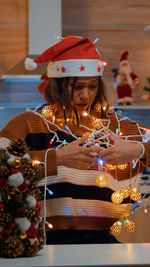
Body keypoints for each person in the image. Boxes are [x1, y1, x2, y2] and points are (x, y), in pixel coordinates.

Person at [0, 35, 150, 244]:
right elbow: (2, 164)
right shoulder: (30, 123)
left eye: (92, 86)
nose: (85, 96)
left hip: (104, 241)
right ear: (57, 85)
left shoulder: (115, 125)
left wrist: (138, 151)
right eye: (77, 87)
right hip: (44, 241)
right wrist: (56, 158)